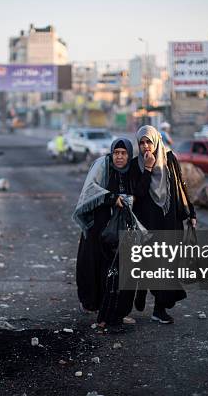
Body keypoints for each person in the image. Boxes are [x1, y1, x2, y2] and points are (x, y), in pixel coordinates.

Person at [129, 125, 197, 324]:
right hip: (148, 224)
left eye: (148, 141)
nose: (145, 146)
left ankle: (158, 310)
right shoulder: (135, 165)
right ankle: (142, 288)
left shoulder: (170, 159)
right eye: (141, 143)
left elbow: (181, 185)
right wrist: (148, 169)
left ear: (156, 141)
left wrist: (190, 211)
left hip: (170, 220)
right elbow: (138, 194)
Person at [72, 138, 136, 328]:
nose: (119, 157)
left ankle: (115, 310)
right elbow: (90, 189)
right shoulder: (103, 165)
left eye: (124, 153)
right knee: (93, 266)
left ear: (129, 155)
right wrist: (111, 198)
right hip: (97, 226)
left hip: (121, 228)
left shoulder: (131, 171)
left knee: (118, 269)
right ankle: (93, 304)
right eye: (116, 153)